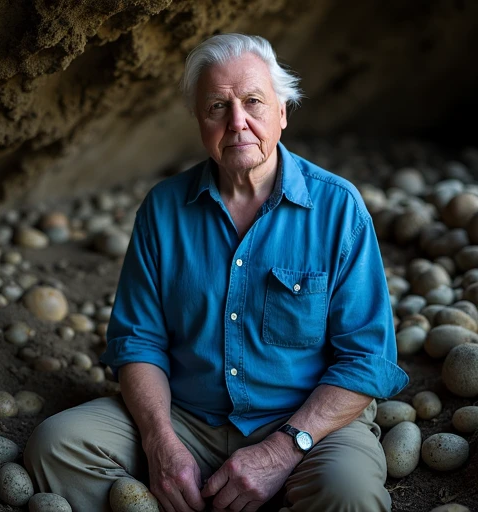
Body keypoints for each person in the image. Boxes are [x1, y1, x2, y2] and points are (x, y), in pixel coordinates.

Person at [24, 33, 408, 512]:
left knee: (349, 494)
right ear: (199, 122)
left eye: (253, 102)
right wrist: (160, 442)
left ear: (283, 112)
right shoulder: (163, 210)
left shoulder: (338, 209)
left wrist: (279, 452)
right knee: (57, 445)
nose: (238, 123)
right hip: (187, 418)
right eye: (216, 107)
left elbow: (367, 358)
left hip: (305, 426)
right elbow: (138, 341)